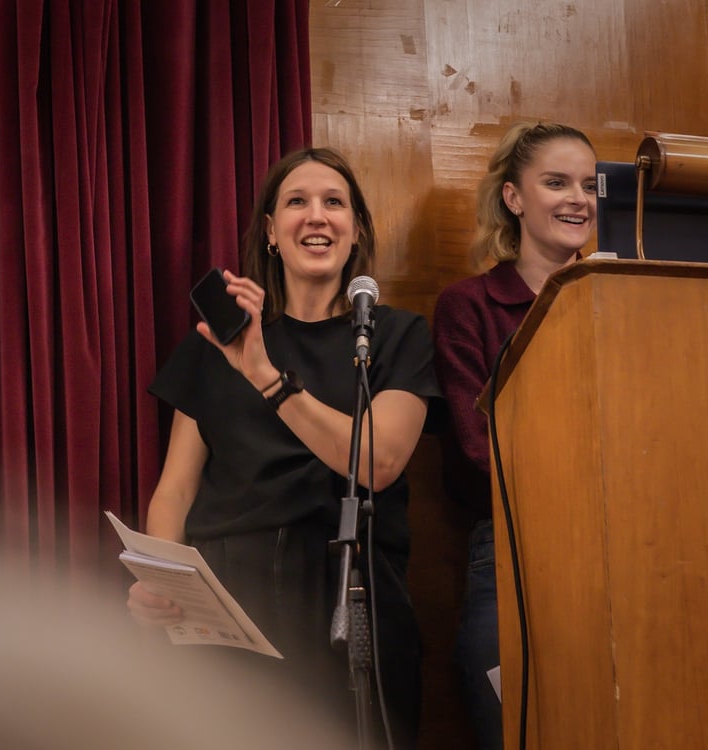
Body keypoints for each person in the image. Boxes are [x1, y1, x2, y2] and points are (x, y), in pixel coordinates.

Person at [127, 146, 443, 749]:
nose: (316, 215)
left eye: (334, 202)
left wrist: (267, 377)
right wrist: (163, 584)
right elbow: (176, 490)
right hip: (228, 604)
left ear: (357, 229)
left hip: (349, 597)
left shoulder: (397, 335)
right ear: (271, 232)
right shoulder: (218, 342)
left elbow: (377, 463)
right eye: (297, 201)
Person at [432, 121, 597, 749]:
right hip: (509, 551)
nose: (578, 199)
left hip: (623, 549)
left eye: (589, 185)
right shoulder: (468, 306)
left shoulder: (623, 297)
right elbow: (479, 448)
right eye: (556, 182)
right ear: (514, 197)